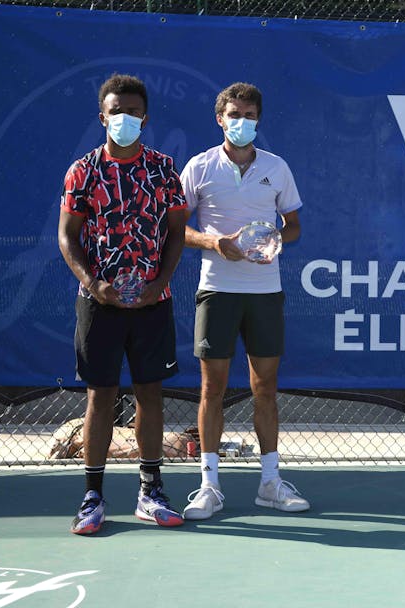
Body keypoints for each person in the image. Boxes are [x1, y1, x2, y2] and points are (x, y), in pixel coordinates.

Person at [58, 74, 188, 535]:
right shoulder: (82, 171)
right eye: (117, 112)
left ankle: (151, 491)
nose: (125, 120)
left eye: (133, 113)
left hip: (155, 302)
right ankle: (92, 497)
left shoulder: (163, 170)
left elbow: (176, 231)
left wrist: (161, 282)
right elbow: (67, 237)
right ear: (103, 116)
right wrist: (95, 284)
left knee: (150, 393)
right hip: (98, 303)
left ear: (145, 118)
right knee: (102, 395)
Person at [179, 82, 309, 520]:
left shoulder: (277, 167)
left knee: (265, 390)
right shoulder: (199, 167)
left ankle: (270, 483)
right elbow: (176, 228)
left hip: (264, 292)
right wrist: (215, 243)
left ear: (259, 120)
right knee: (211, 389)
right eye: (234, 115)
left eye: (249, 116)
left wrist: (273, 238)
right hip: (216, 291)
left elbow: (293, 226)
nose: (242, 123)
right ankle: (209, 486)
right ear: (220, 119)